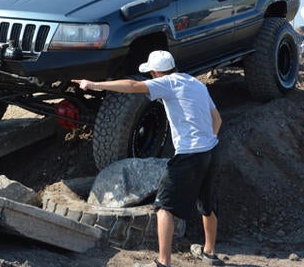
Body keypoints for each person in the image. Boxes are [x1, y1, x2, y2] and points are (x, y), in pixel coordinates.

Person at [72, 50, 223, 267]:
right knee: (207, 204)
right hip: (211, 150)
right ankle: (209, 253)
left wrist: (95, 85)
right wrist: (207, 144)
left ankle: (163, 262)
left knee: (163, 208)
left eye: (151, 74)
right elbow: (216, 119)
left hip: (190, 155)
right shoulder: (195, 83)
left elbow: (133, 87)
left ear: (155, 73)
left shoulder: (167, 83)